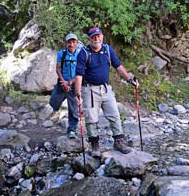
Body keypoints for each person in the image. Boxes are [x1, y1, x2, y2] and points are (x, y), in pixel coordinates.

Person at [74, 27, 138, 157]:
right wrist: (77, 93)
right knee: (91, 118)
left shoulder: (108, 50)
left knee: (114, 114)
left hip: (106, 89)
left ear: (102, 37)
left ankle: (119, 142)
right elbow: (79, 75)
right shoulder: (83, 53)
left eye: (98, 36)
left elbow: (118, 66)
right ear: (89, 39)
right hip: (89, 90)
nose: (96, 39)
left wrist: (130, 79)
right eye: (93, 37)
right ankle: (95, 146)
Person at [49, 33, 82, 138]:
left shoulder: (80, 55)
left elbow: (81, 72)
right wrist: (63, 82)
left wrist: (69, 83)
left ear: (76, 43)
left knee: (73, 108)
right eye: (69, 42)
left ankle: (72, 129)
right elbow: (58, 68)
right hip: (62, 82)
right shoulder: (61, 54)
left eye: (73, 42)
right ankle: (56, 110)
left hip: (74, 83)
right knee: (53, 101)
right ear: (66, 43)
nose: (71, 44)